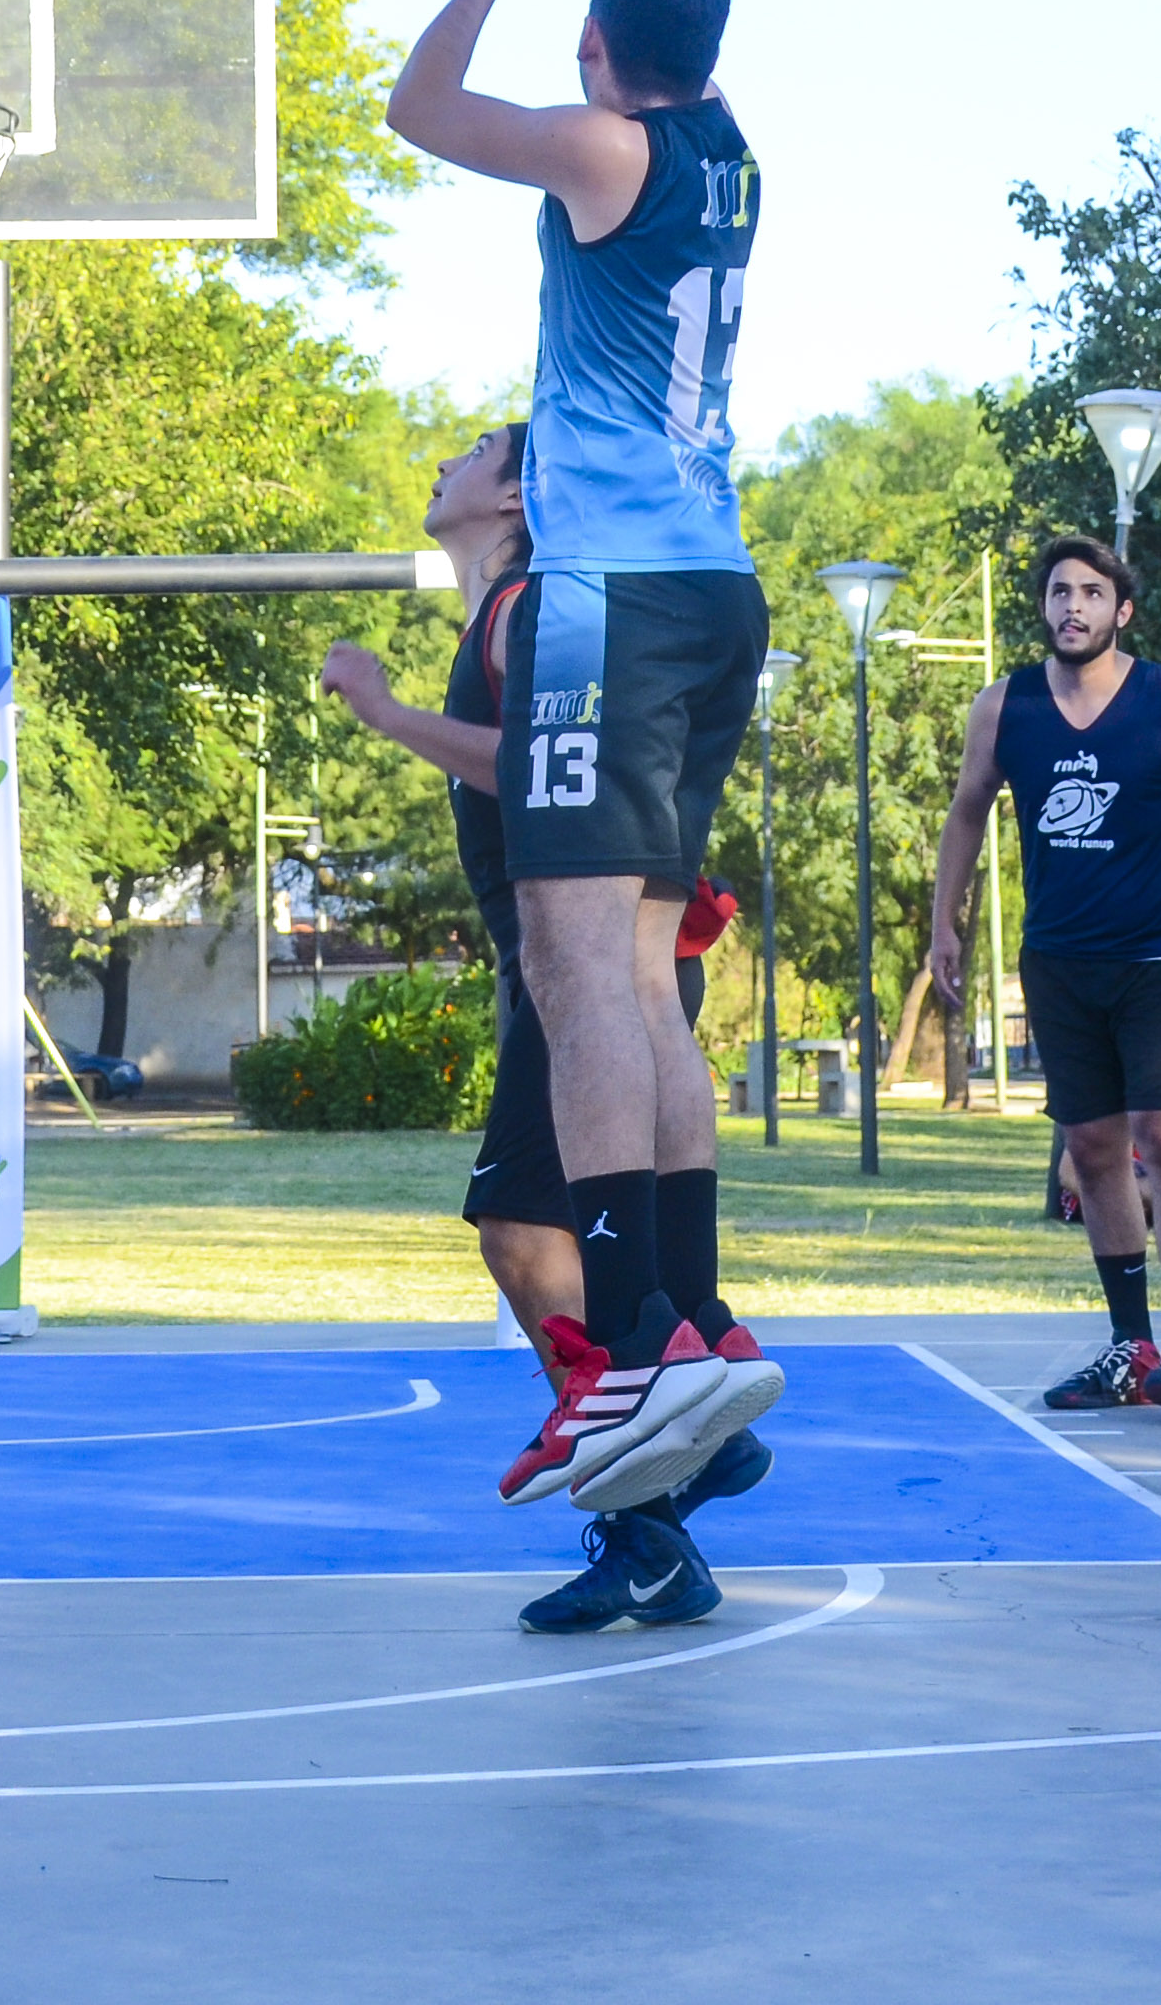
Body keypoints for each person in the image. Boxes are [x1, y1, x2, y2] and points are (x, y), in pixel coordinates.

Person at [383, 0, 783, 1518]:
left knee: (574, 971)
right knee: (634, 968)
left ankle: (631, 1339)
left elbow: (417, 103)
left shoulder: (599, 146)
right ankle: (687, 1323)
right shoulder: (717, 142)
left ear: (599, 41)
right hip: (713, 591)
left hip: (606, 604)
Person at [324, 421, 772, 1631]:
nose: (440, 461)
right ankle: (671, 1457)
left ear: (515, 490)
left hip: (585, 974)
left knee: (520, 1239)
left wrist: (379, 708)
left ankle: (650, 1497)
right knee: (519, 1236)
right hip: (587, 965)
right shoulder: (517, 609)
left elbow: (534, 763)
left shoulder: (526, 606)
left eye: (471, 448)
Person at [929, 534, 1161, 1421]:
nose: (1071, 607)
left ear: (1122, 612)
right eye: (1057, 594)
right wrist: (945, 924)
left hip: (1160, 957)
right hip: (1060, 961)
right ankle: (1131, 1349)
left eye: (1089, 593)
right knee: (1092, 1156)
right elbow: (967, 813)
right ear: (1043, 610)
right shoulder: (1005, 707)